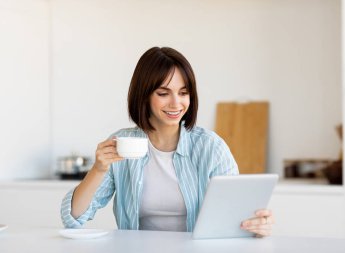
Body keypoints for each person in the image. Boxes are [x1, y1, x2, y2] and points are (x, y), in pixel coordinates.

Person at [60, 46, 274, 237]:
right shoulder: (122, 144)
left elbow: (234, 218)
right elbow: (74, 218)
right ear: (143, 96)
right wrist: (97, 169)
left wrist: (256, 226)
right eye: (163, 93)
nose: (176, 103)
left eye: (183, 93)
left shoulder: (210, 147)